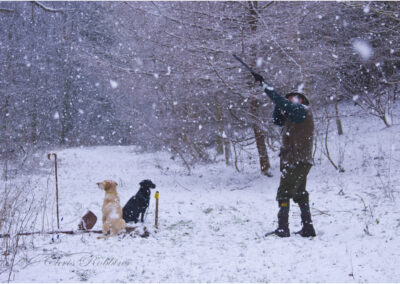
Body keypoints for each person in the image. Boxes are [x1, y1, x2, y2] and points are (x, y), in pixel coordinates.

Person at [253, 73, 316, 238]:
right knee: (300, 193)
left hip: (296, 161)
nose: (292, 101)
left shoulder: (302, 111)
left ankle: (283, 228)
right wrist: (279, 105)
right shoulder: (295, 116)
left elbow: (283, 103)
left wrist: (265, 86)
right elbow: (277, 120)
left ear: (301, 100)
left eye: (295, 98)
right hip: (300, 161)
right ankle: (308, 228)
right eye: (290, 99)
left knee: (283, 193)